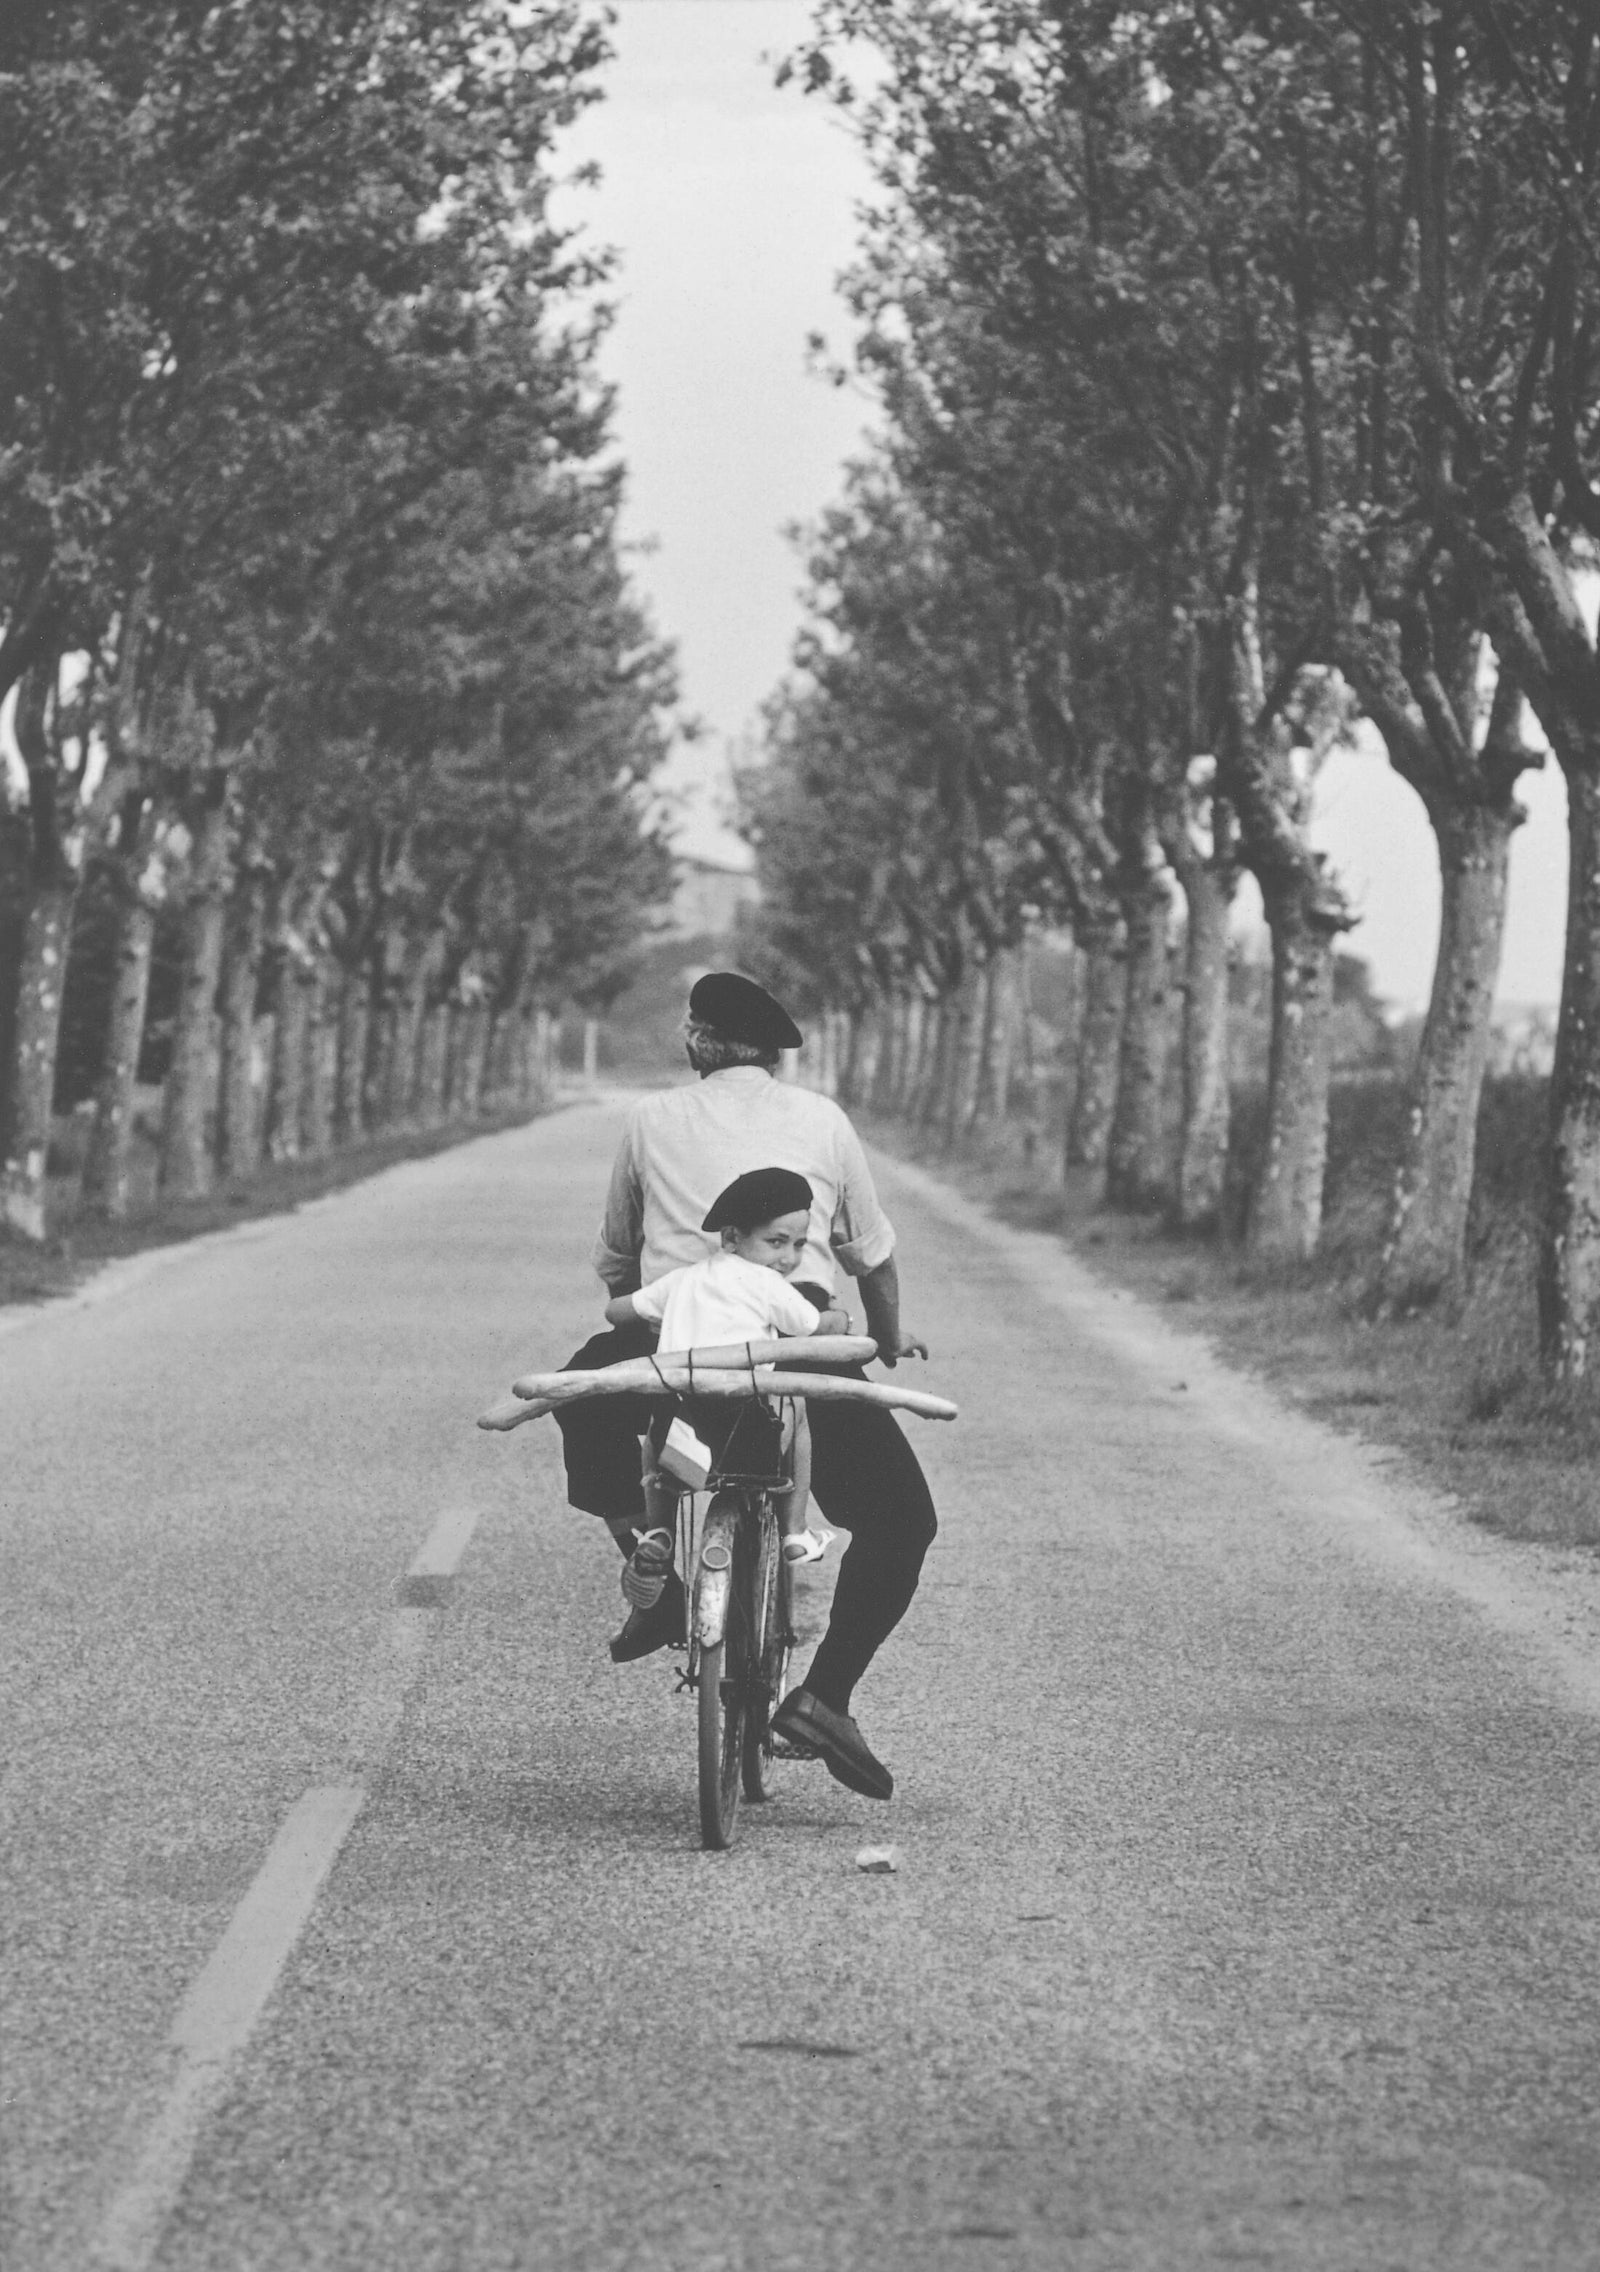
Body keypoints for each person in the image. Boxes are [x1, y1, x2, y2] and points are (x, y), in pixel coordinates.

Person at [554, 969, 935, 1804]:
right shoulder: (823, 1120)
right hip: (795, 1347)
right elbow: (871, 1254)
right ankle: (825, 1699)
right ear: (773, 1054)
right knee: (902, 1520)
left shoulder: (651, 1119)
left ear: (698, 1042)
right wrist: (884, 1338)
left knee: (582, 1400)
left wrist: (656, 1318)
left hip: (676, 1343)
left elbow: (617, 1258)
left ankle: (657, 1580)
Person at [602, 1166, 850, 1591]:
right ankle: (795, 1530)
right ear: (732, 1237)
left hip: (681, 1429)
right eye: (776, 1242)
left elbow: (617, 1312)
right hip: (749, 1424)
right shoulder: (768, 1284)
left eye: (798, 1245)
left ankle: (659, 1530)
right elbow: (811, 1326)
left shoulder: (683, 1279)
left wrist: (661, 1315)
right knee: (796, 1406)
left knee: (656, 1425)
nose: (788, 1258)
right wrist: (840, 1321)